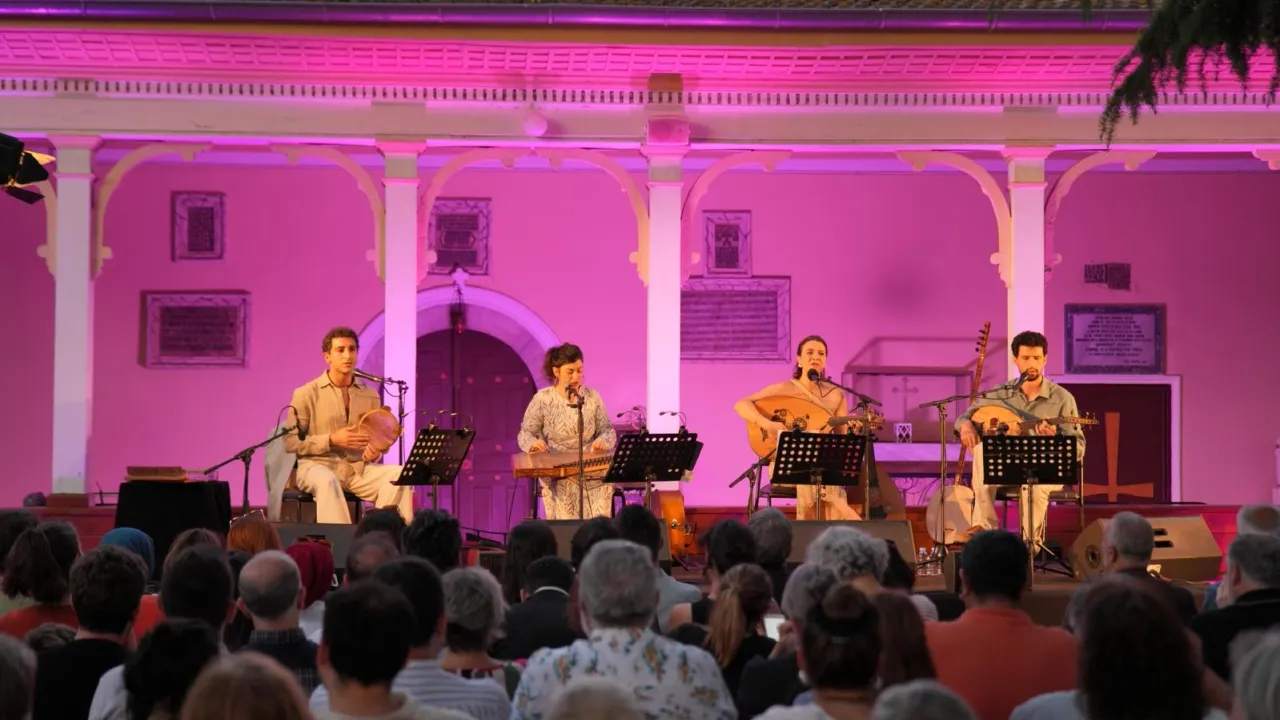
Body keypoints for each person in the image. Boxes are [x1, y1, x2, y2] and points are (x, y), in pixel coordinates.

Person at [956, 330, 1085, 548]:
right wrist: (965, 425)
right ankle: (984, 531)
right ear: (1015, 360)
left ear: (1045, 359)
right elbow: (967, 416)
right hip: (1007, 467)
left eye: (1036, 358)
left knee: (1033, 487)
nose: (1031, 363)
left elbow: (1078, 447)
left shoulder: (1062, 398)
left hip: (1045, 470)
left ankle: (1029, 547)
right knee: (981, 451)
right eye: (1025, 358)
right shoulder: (1001, 393)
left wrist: (1055, 440)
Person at [284, 326, 413, 524]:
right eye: (340, 350)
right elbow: (290, 443)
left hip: (356, 470)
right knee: (327, 481)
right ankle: (341, 541)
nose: (347, 355)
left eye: (352, 349)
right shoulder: (306, 393)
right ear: (327, 357)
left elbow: (376, 440)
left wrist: (374, 453)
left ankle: (382, 535)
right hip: (316, 466)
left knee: (399, 475)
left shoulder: (370, 394)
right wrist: (331, 440)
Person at [733, 335, 861, 520]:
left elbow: (840, 441)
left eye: (821, 353)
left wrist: (852, 431)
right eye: (810, 352)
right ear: (799, 359)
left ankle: (813, 528)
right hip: (785, 465)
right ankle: (843, 521)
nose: (816, 357)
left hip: (821, 466)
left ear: (825, 360)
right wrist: (766, 423)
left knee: (819, 477)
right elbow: (741, 404)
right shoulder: (784, 389)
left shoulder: (836, 395)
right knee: (814, 479)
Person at [517, 343, 617, 520]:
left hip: (591, 466)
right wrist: (533, 444)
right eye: (570, 372)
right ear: (556, 372)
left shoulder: (592, 397)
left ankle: (598, 533)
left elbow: (607, 430)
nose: (576, 376)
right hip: (559, 470)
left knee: (605, 482)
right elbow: (525, 434)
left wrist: (602, 441)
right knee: (566, 492)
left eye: (579, 370)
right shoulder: (543, 399)